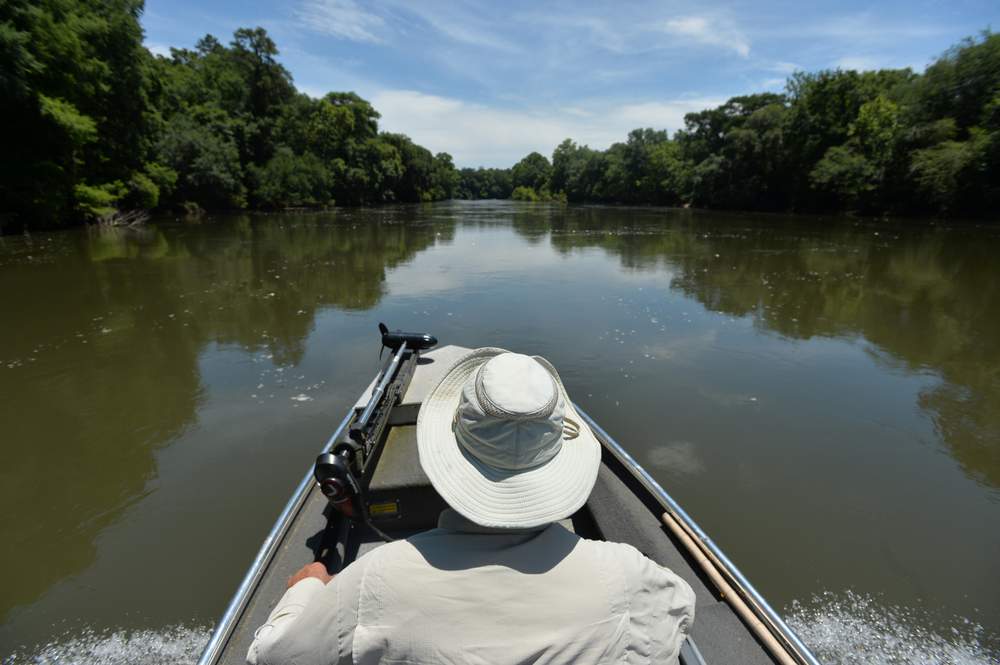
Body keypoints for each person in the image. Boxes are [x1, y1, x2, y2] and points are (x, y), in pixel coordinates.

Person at [248, 348, 695, 664]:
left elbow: (272, 656)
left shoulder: (374, 580)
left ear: (449, 450)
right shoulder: (625, 572)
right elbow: (679, 611)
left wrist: (308, 587)